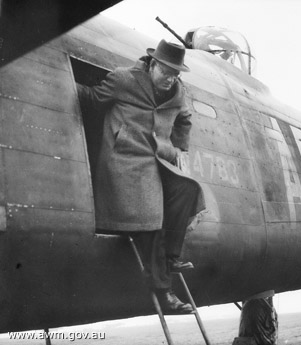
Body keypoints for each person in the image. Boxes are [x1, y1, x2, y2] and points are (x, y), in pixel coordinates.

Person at [77, 39, 205, 314]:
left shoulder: (177, 92)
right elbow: (94, 98)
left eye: (176, 74)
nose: (171, 79)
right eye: (167, 72)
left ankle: (171, 257)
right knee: (152, 220)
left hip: (158, 159)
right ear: (153, 65)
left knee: (189, 190)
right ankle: (165, 292)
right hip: (126, 160)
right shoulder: (124, 79)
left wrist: (179, 149)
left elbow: (184, 118)